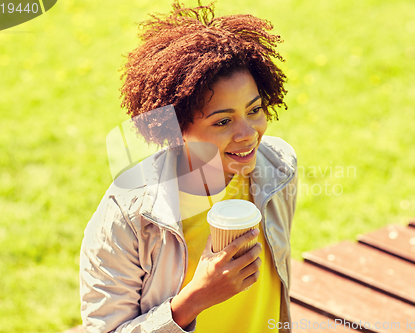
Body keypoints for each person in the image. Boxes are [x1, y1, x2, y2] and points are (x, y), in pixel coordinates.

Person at [79, 1, 297, 332]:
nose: (248, 134)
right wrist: (194, 300)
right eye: (223, 121)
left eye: (254, 110)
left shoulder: (277, 168)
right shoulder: (128, 215)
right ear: (176, 129)